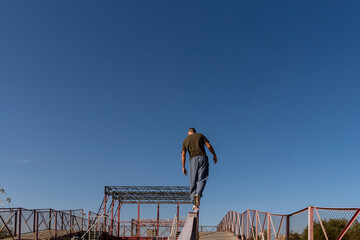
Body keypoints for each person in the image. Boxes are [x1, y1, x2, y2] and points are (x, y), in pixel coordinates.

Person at [181, 128, 217, 210]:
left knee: (193, 180)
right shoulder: (200, 135)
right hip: (203, 158)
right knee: (202, 178)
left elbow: (183, 154)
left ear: (188, 133)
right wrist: (214, 155)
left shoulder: (185, 141)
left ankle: (194, 201)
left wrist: (183, 167)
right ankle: (198, 194)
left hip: (193, 160)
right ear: (195, 132)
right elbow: (209, 145)